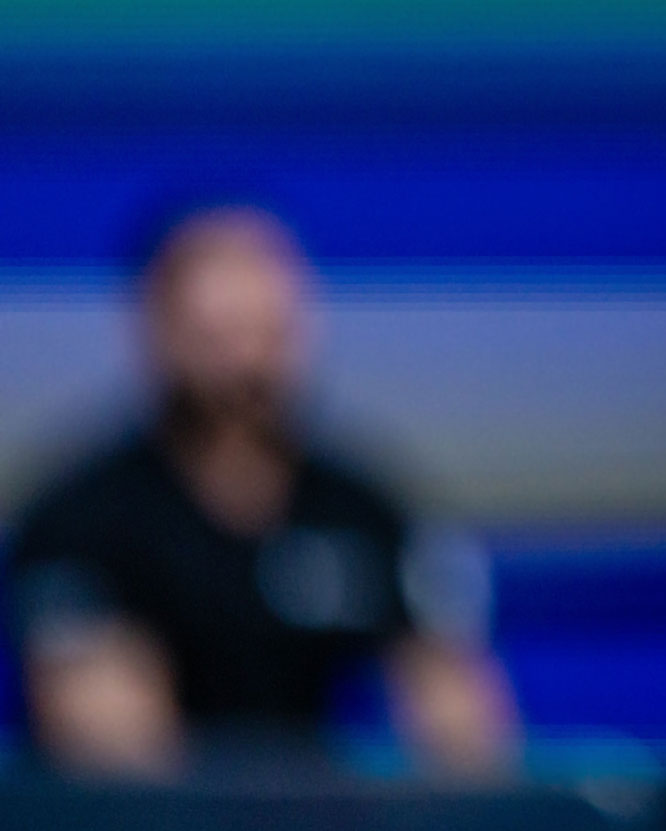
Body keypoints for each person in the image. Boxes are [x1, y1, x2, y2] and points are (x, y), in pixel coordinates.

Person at [5, 207, 517, 781]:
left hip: (316, 822)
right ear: (159, 331)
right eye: (218, 337)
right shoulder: (81, 521)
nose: (246, 366)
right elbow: (106, 742)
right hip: (150, 829)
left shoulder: (362, 506)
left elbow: (460, 712)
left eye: (268, 335)